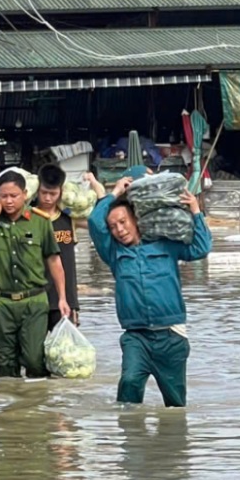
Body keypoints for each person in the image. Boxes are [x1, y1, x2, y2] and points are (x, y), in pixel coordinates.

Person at [88, 170, 212, 407]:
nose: (119, 230)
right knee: (129, 384)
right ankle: (131, 438)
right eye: (113, 227)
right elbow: (95, 222)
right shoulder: (115, 253)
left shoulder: (165, 245)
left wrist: (196, 210)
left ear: (136, 220)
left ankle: (173, 442)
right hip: (137, 337)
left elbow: (201, 247)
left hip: (171, 336)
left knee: (175, 405)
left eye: (123, 222)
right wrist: (114, 193)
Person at [0, 170, 72, 378]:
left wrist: (62, 298)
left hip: (33, 301)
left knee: (34, 360)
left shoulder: (40, 221)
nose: (9, 201)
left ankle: (37, 406)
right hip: (1, 303)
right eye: (4, 196)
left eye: (14, 196)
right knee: (6, 366)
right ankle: (12, 407)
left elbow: (54, 260)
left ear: (25, 194)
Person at [31, 165, 104, 331]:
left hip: (65, 299)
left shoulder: (69, 219)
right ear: (37, 191)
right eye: (44, 193)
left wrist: (93, 182)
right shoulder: (28, 218)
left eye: (53, 194)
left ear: (61, 193)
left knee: (65, 353)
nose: (48, 198)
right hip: (34, 298)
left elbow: (101, 221)